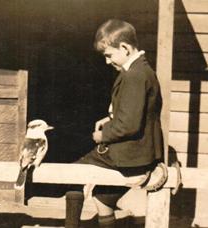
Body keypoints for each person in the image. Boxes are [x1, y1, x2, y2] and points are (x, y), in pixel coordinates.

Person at [65, 19, 164, 228]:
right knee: (102, 198)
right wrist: (110, 118)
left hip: (130, 155)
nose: (107, 62)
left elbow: (128, 125)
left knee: (71, 174)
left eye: (109, 55)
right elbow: (137, 113)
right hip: (139, 152)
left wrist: (103, 135)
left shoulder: (135, 76)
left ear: (125, 48)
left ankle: (70, 226)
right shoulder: (141, 70)